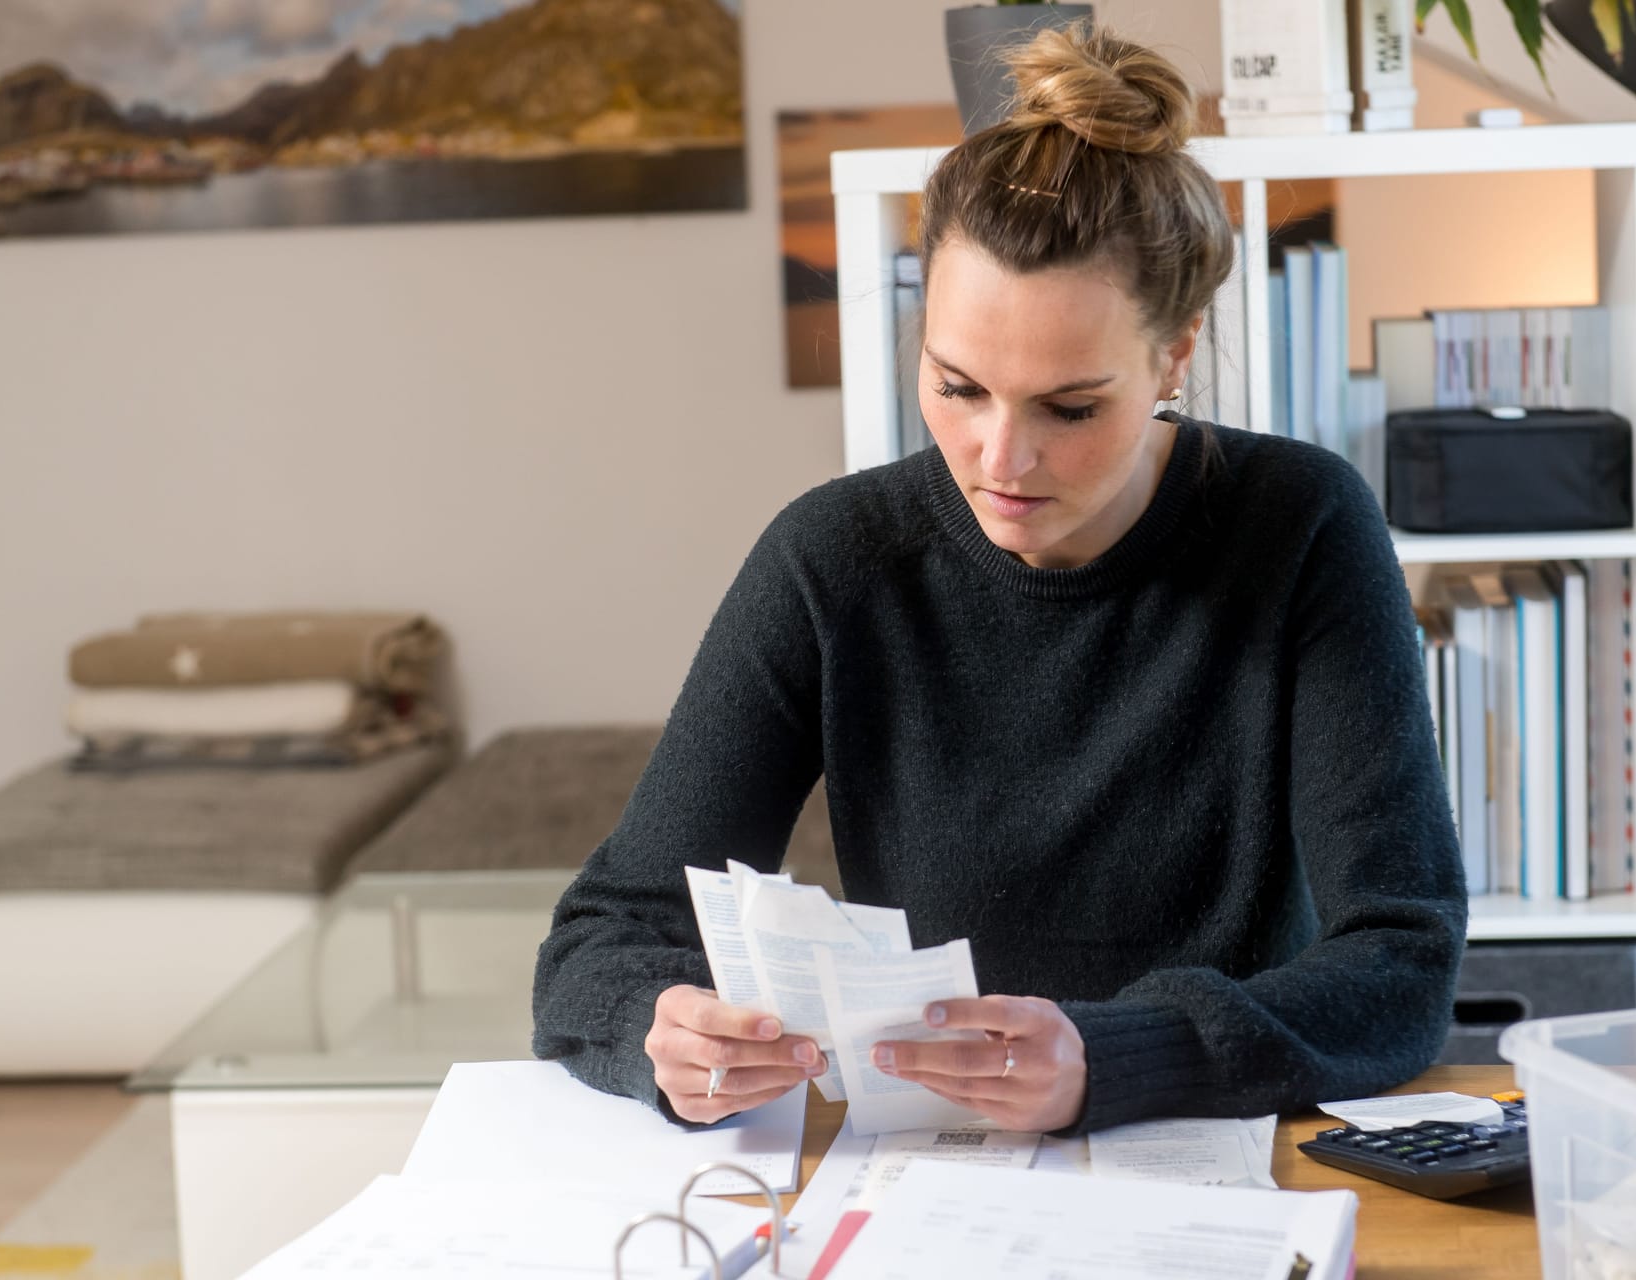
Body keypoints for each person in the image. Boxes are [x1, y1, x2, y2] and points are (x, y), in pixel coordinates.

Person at [532, 21, 1466, 1137]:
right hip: (936, 1177)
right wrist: (661, 1027)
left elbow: (1399, 961)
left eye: (1071, 408)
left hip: (1225, 1155)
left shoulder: (1301, 526)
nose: (1000, 459)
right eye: (958, 385)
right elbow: (600, 935)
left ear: (1176, 355)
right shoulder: (833, 559)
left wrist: (1115, 1056)